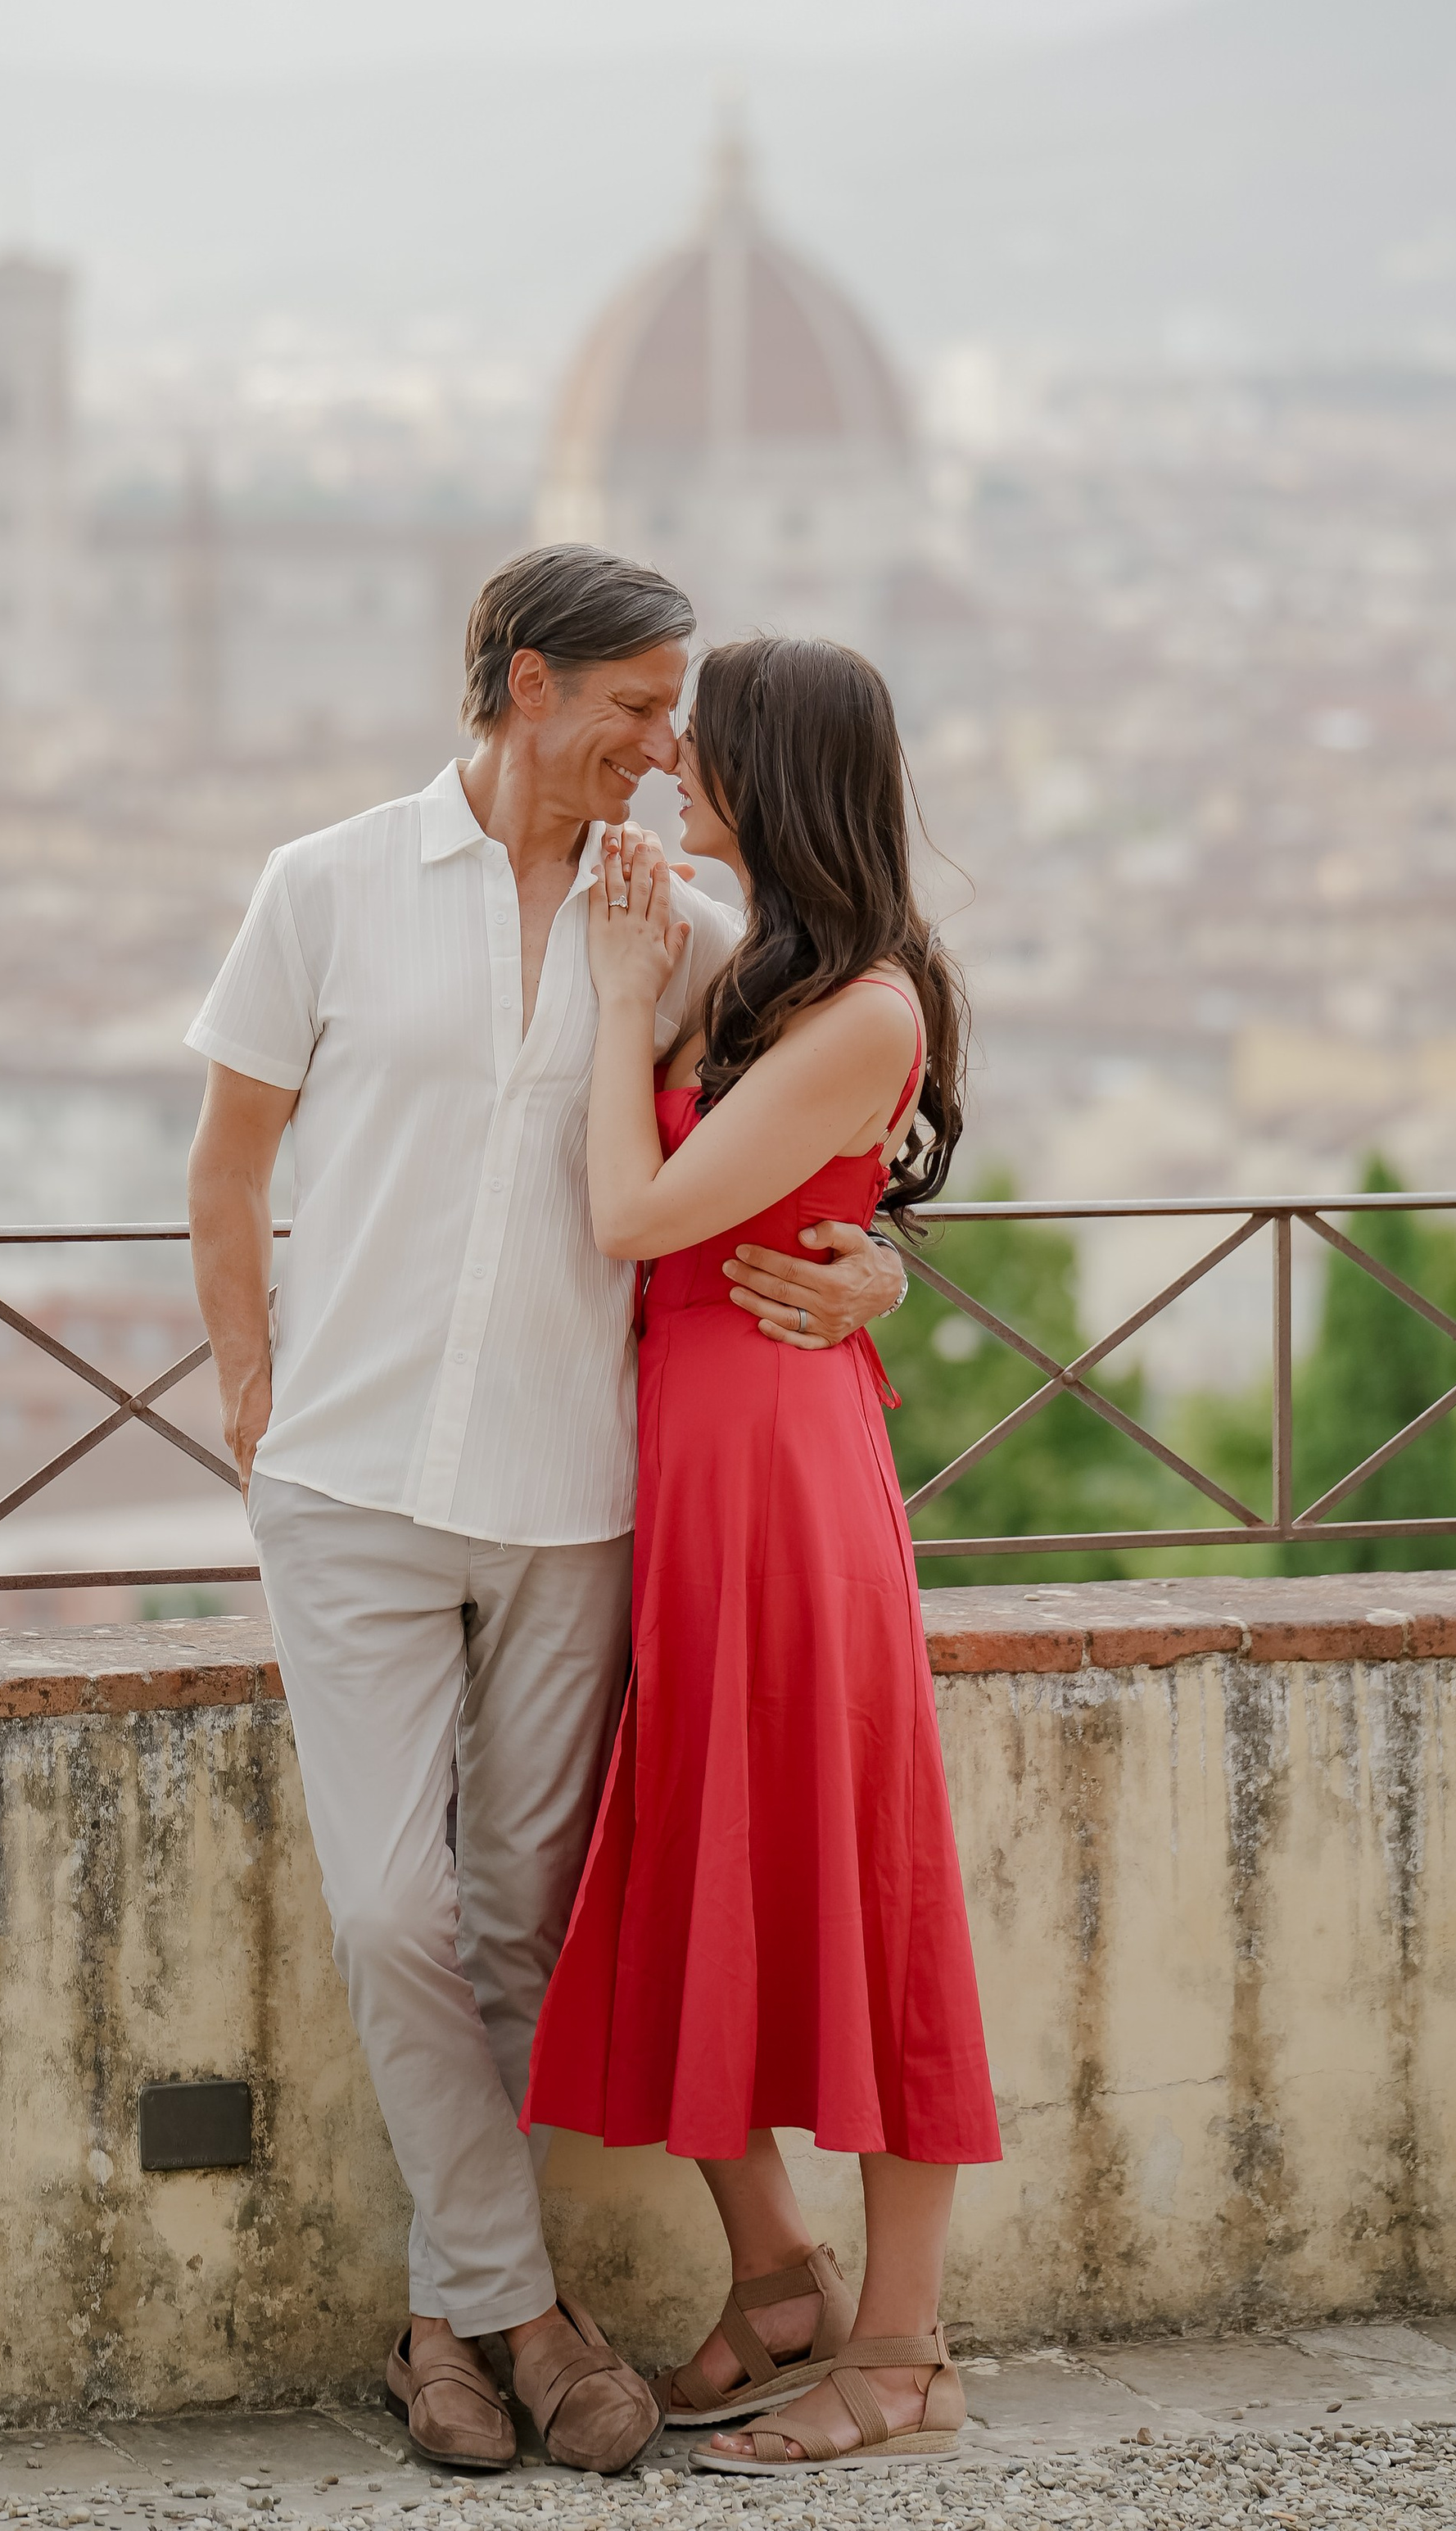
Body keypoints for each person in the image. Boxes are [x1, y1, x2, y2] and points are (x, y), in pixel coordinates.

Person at [183, 548, 907, 2478]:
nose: (668, 748)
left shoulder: (693, 924)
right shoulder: (322, 886)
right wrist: (252, 1400)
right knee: (392, 1912)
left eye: (679, 713)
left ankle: (446, 2327)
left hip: (580, 1495)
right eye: (637, 706)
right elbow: (227, 1163)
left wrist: (878, 1268)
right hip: (345, 1482)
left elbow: (812, 1141)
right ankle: (516, 2309)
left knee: (517, 1916)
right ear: (518, 683)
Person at [522, 633, 1002, 2474]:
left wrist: (627, 996)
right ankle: (777, 2273)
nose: (672, 769)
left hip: (784, 1486)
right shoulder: (766, 982)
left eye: (702, 748)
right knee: (683, 1869)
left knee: (850, 1894)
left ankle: (896, 2350)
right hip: (702, 1469)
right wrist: (646, 998)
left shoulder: (864, 1008)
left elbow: (637, 1210)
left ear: (778, 772)